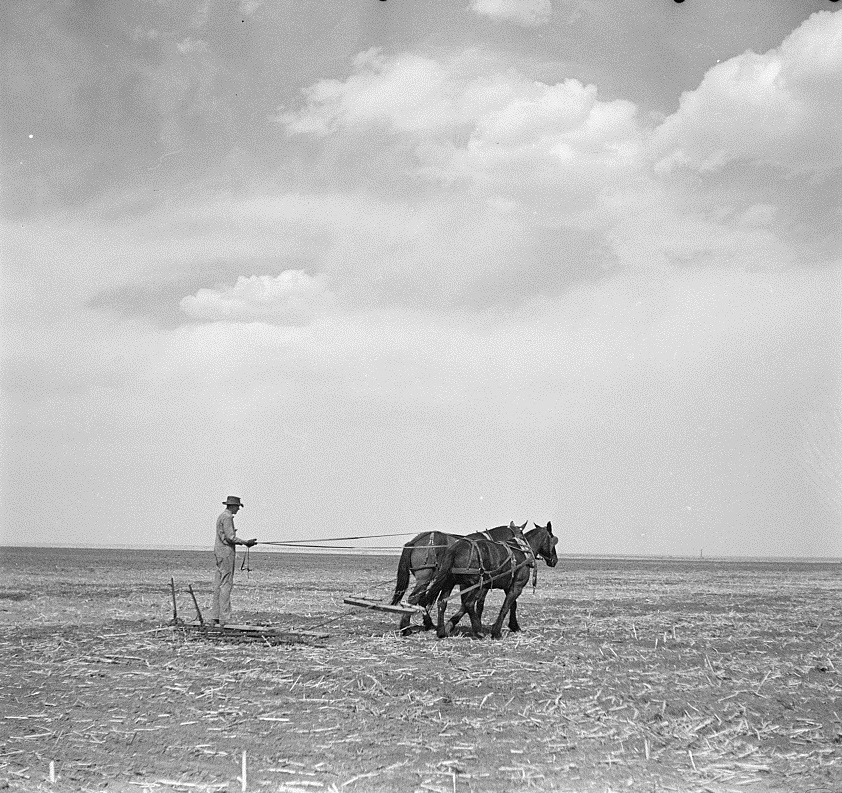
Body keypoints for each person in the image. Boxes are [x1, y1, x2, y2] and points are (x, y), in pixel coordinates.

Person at [210, 496, 257, 627]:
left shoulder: (221, 516)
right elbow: (231, 537)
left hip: (219, 552)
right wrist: (246, 542)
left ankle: (215, 617)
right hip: (226, 553)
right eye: (237, 507)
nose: (238, 509)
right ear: (232, 506)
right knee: (226, 584)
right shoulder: (227, 517)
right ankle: (225, 618)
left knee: (218, 584)